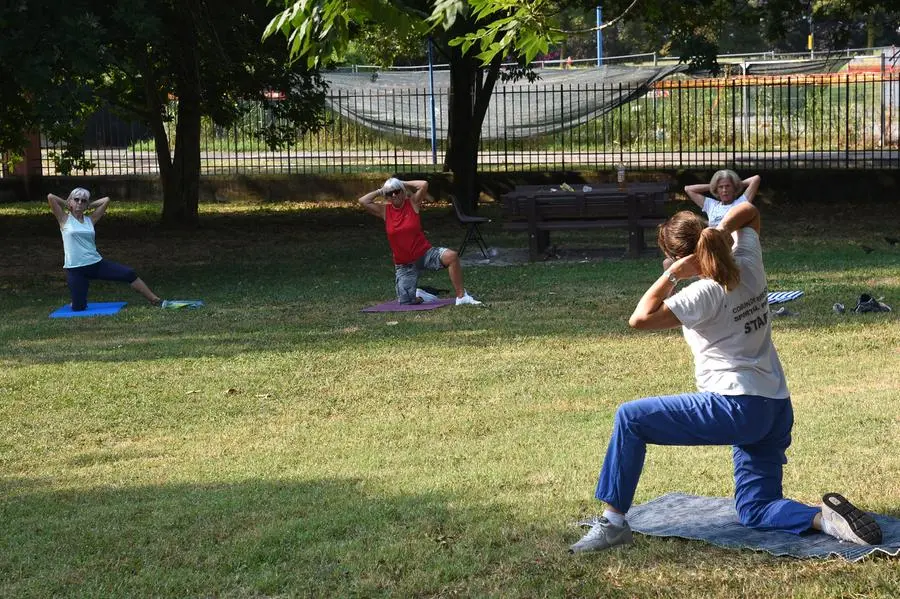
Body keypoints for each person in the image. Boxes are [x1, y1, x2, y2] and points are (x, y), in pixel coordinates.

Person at [570, 202, 882, 553]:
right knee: (755, 508)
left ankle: (612, 523)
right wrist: (720, 229)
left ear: (680, 258)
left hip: (735, 407)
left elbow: (639, 318)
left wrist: (672, 275)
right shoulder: (748, 263)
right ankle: (825, 520)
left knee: (631, 417)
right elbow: (749, 210)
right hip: (775, 407)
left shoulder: (700, 294)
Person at [358, 177, 482, 306]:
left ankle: (461, 296)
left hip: (425, 254)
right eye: (390, 193)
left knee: (451, 256)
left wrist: (401, 183)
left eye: (397, 191)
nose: (394, 195)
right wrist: (381, 190)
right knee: (406, 302)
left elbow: (423, 184)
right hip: (404, 263)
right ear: (387, 196)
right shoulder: (385, 211)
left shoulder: (412, 203)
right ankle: (421, 295)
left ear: (402, 191)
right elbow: (363, 201)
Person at [48, 187, 168, 311]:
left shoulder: (91, 220)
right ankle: (77, 301)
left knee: (129, 273)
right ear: (70, 202)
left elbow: (106, 200)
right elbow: (51, 196)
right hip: (75, 269)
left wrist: (88, 205)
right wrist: (68, 203)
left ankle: (155, 300)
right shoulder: (64, 219)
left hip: (95, 264)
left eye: (83, 201)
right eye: (76, 200)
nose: (79, 203)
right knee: (79, 308)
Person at [684, 170, 760, 228]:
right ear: (716, 189)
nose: (724, 190)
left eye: (728, 186)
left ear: (734, 188)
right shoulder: (711, 205)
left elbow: (755, 179)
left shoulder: (742, 203)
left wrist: (737, 184)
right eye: (721, 187)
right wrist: (713, 185)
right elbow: (688, 189)